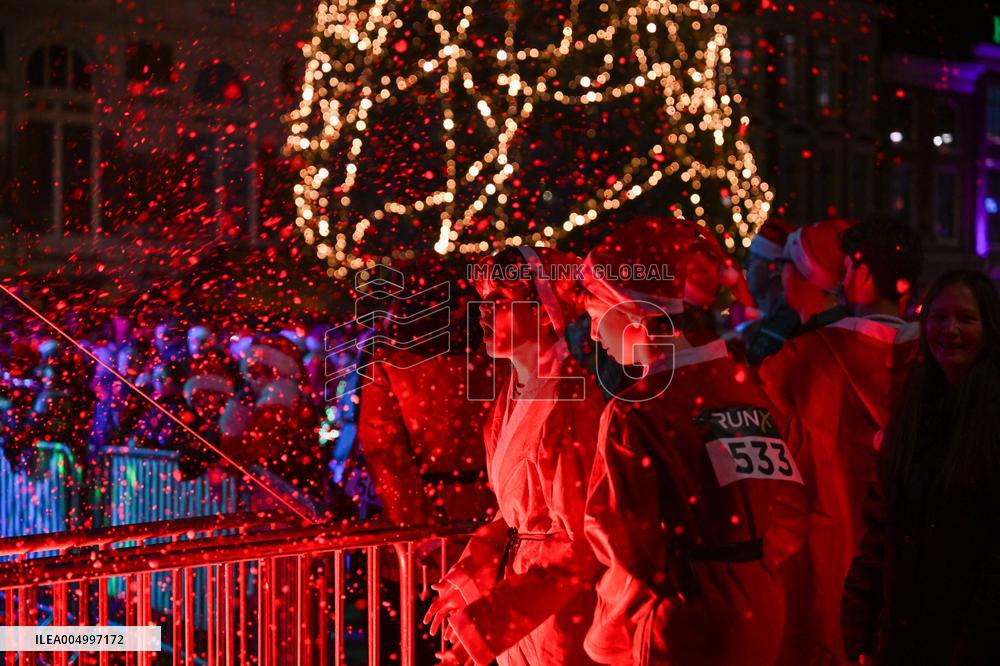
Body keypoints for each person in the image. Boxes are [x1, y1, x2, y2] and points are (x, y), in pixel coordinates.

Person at [581, 217, 795, 666]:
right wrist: (746, 566)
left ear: (632, 311)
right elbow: (789, 510)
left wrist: (675, 584)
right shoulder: (739, 385)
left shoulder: (636, 411)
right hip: (760, 606)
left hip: (681, 624)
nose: (596, 335)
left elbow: (623, 539)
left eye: (598, 315)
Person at [425, 247, 605, 666]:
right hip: (524, 595)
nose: (483, 313)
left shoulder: (571, 401)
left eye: (500, 301)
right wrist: (482, 559)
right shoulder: (507, 398)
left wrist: (491, 622)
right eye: (484, 300)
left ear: (545, 311)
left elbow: (578, 539)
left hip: (559, 610)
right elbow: (519, 516)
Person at [842, 269, 1000, 665]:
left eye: (965, 318)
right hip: (905, 636)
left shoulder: (992, 418)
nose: (950, 330)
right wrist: (859, 620)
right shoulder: (914, 409)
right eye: (939, 317)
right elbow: (883, 528)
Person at [755, 217, 862, 665]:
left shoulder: (792, 363)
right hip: (858, 548)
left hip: (807, 549)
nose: (778, 275)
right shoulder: (866, 346)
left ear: (805, 277)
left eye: (785, 266)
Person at [358, 261, 499, 527]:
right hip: (494, 509)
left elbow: (384, 452)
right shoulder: (495, 358)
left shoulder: (389, 363)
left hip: (431, 511)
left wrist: (414, 522)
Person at [740, 217, 800, 365]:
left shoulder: (788, 331)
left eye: (753, 259)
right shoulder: (769, 322)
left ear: (773, 268)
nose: (746, 265)